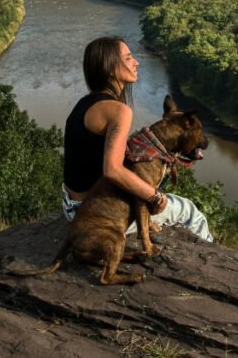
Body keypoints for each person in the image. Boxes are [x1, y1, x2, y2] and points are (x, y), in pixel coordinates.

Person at [61, 36, 213, 242]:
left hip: (72, 205)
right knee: (191, 213)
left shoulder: (86, 103)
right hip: (94, 216)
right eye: (128, 57)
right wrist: (154, 196)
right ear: (110, 68)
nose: (136, 62)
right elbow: (112, 170)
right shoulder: (119, 110)